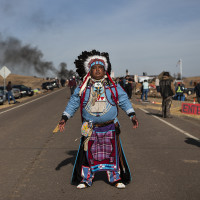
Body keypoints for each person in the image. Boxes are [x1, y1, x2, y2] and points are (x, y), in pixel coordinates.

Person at [58, 50, 139, 189]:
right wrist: (64, 117)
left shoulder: (113, 86)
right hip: (90, 128)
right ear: (89, 71)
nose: (97, 70)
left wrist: (132, 115)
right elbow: (73, 103)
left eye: (100, 68)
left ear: (104, 70)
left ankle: (115, 178)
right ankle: (86, 179)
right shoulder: (83, 87)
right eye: (94, 68)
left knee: (112, 154)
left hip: (110, 126)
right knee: (87, 154)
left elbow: (124, 100)